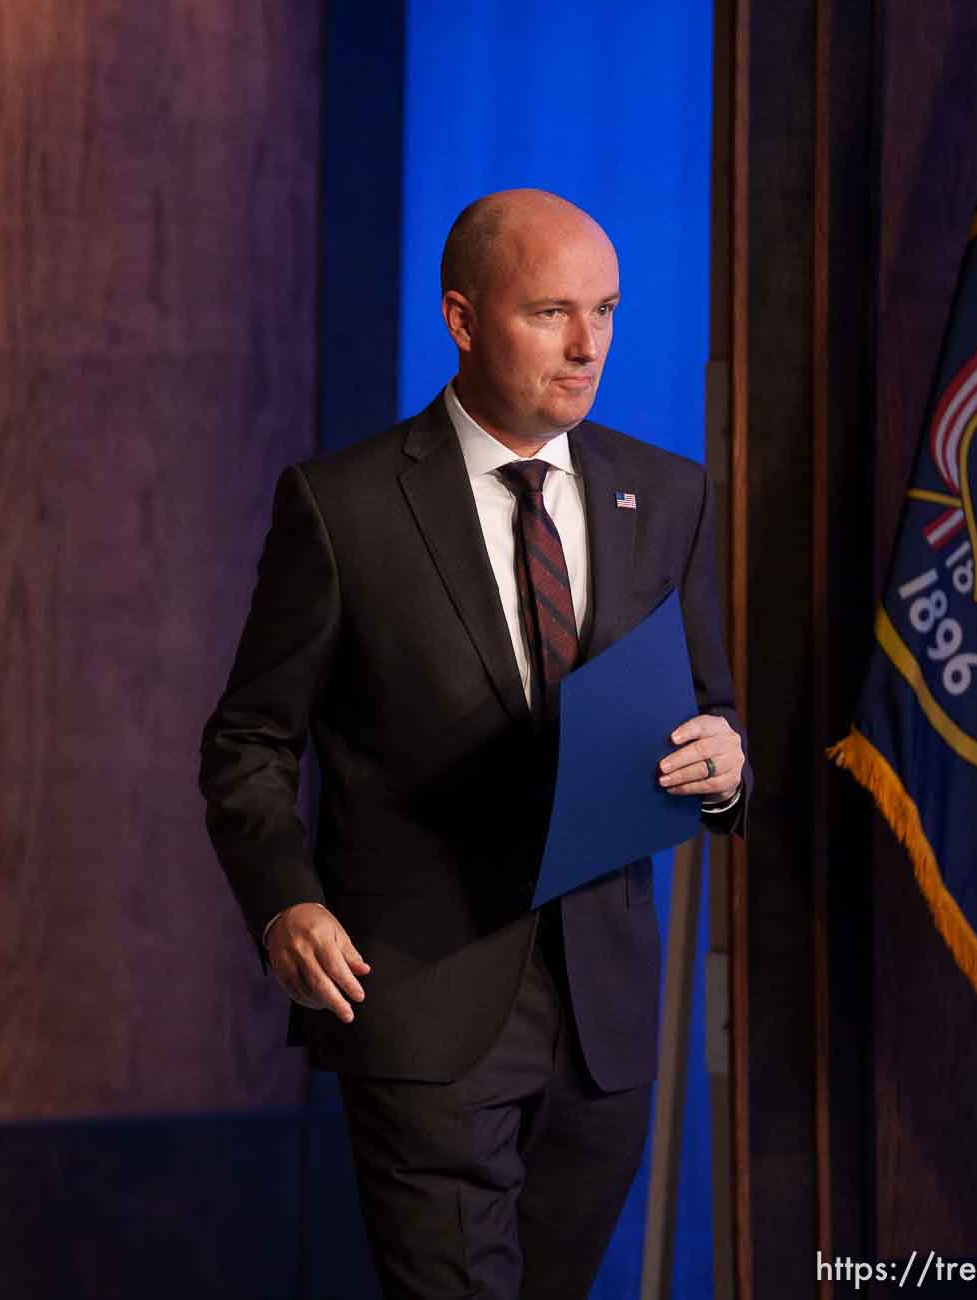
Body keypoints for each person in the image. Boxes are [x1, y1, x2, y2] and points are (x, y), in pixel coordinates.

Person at [198, 188, 750, 1299]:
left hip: (603, 1028)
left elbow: (713, 707)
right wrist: (284, 900)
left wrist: (729, 765)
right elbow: (249, 741)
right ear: (461, 318)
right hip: (418, 1008)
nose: (588, 344)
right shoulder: (342, 506)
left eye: (606, 310)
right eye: (551, 311)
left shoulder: (669, 495)